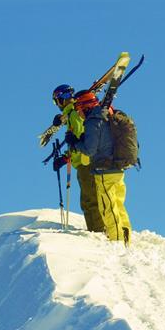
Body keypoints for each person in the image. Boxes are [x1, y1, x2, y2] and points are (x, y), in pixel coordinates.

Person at [63, 89, 131, 244]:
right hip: (118, 167)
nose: (79, 114)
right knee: (118, 205)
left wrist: (74, 142)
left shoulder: (93, 120)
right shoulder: (107, 115)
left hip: (104, 170)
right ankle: (126, 239)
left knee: (108, 207)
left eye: (79, 110)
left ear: (83, 107)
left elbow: (89, 149)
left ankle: (117, 241)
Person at [51, 84, 104, 234]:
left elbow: (81, 138)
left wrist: (68, 156)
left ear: (61, 99)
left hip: (86, 161)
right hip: (83, 160)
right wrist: (66, 158)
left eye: (57, 101)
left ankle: (98, 231)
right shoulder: (71, 113)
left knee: (90, 199)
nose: (57, 105)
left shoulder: (75, 113)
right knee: (89, 199)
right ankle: (97, 229)